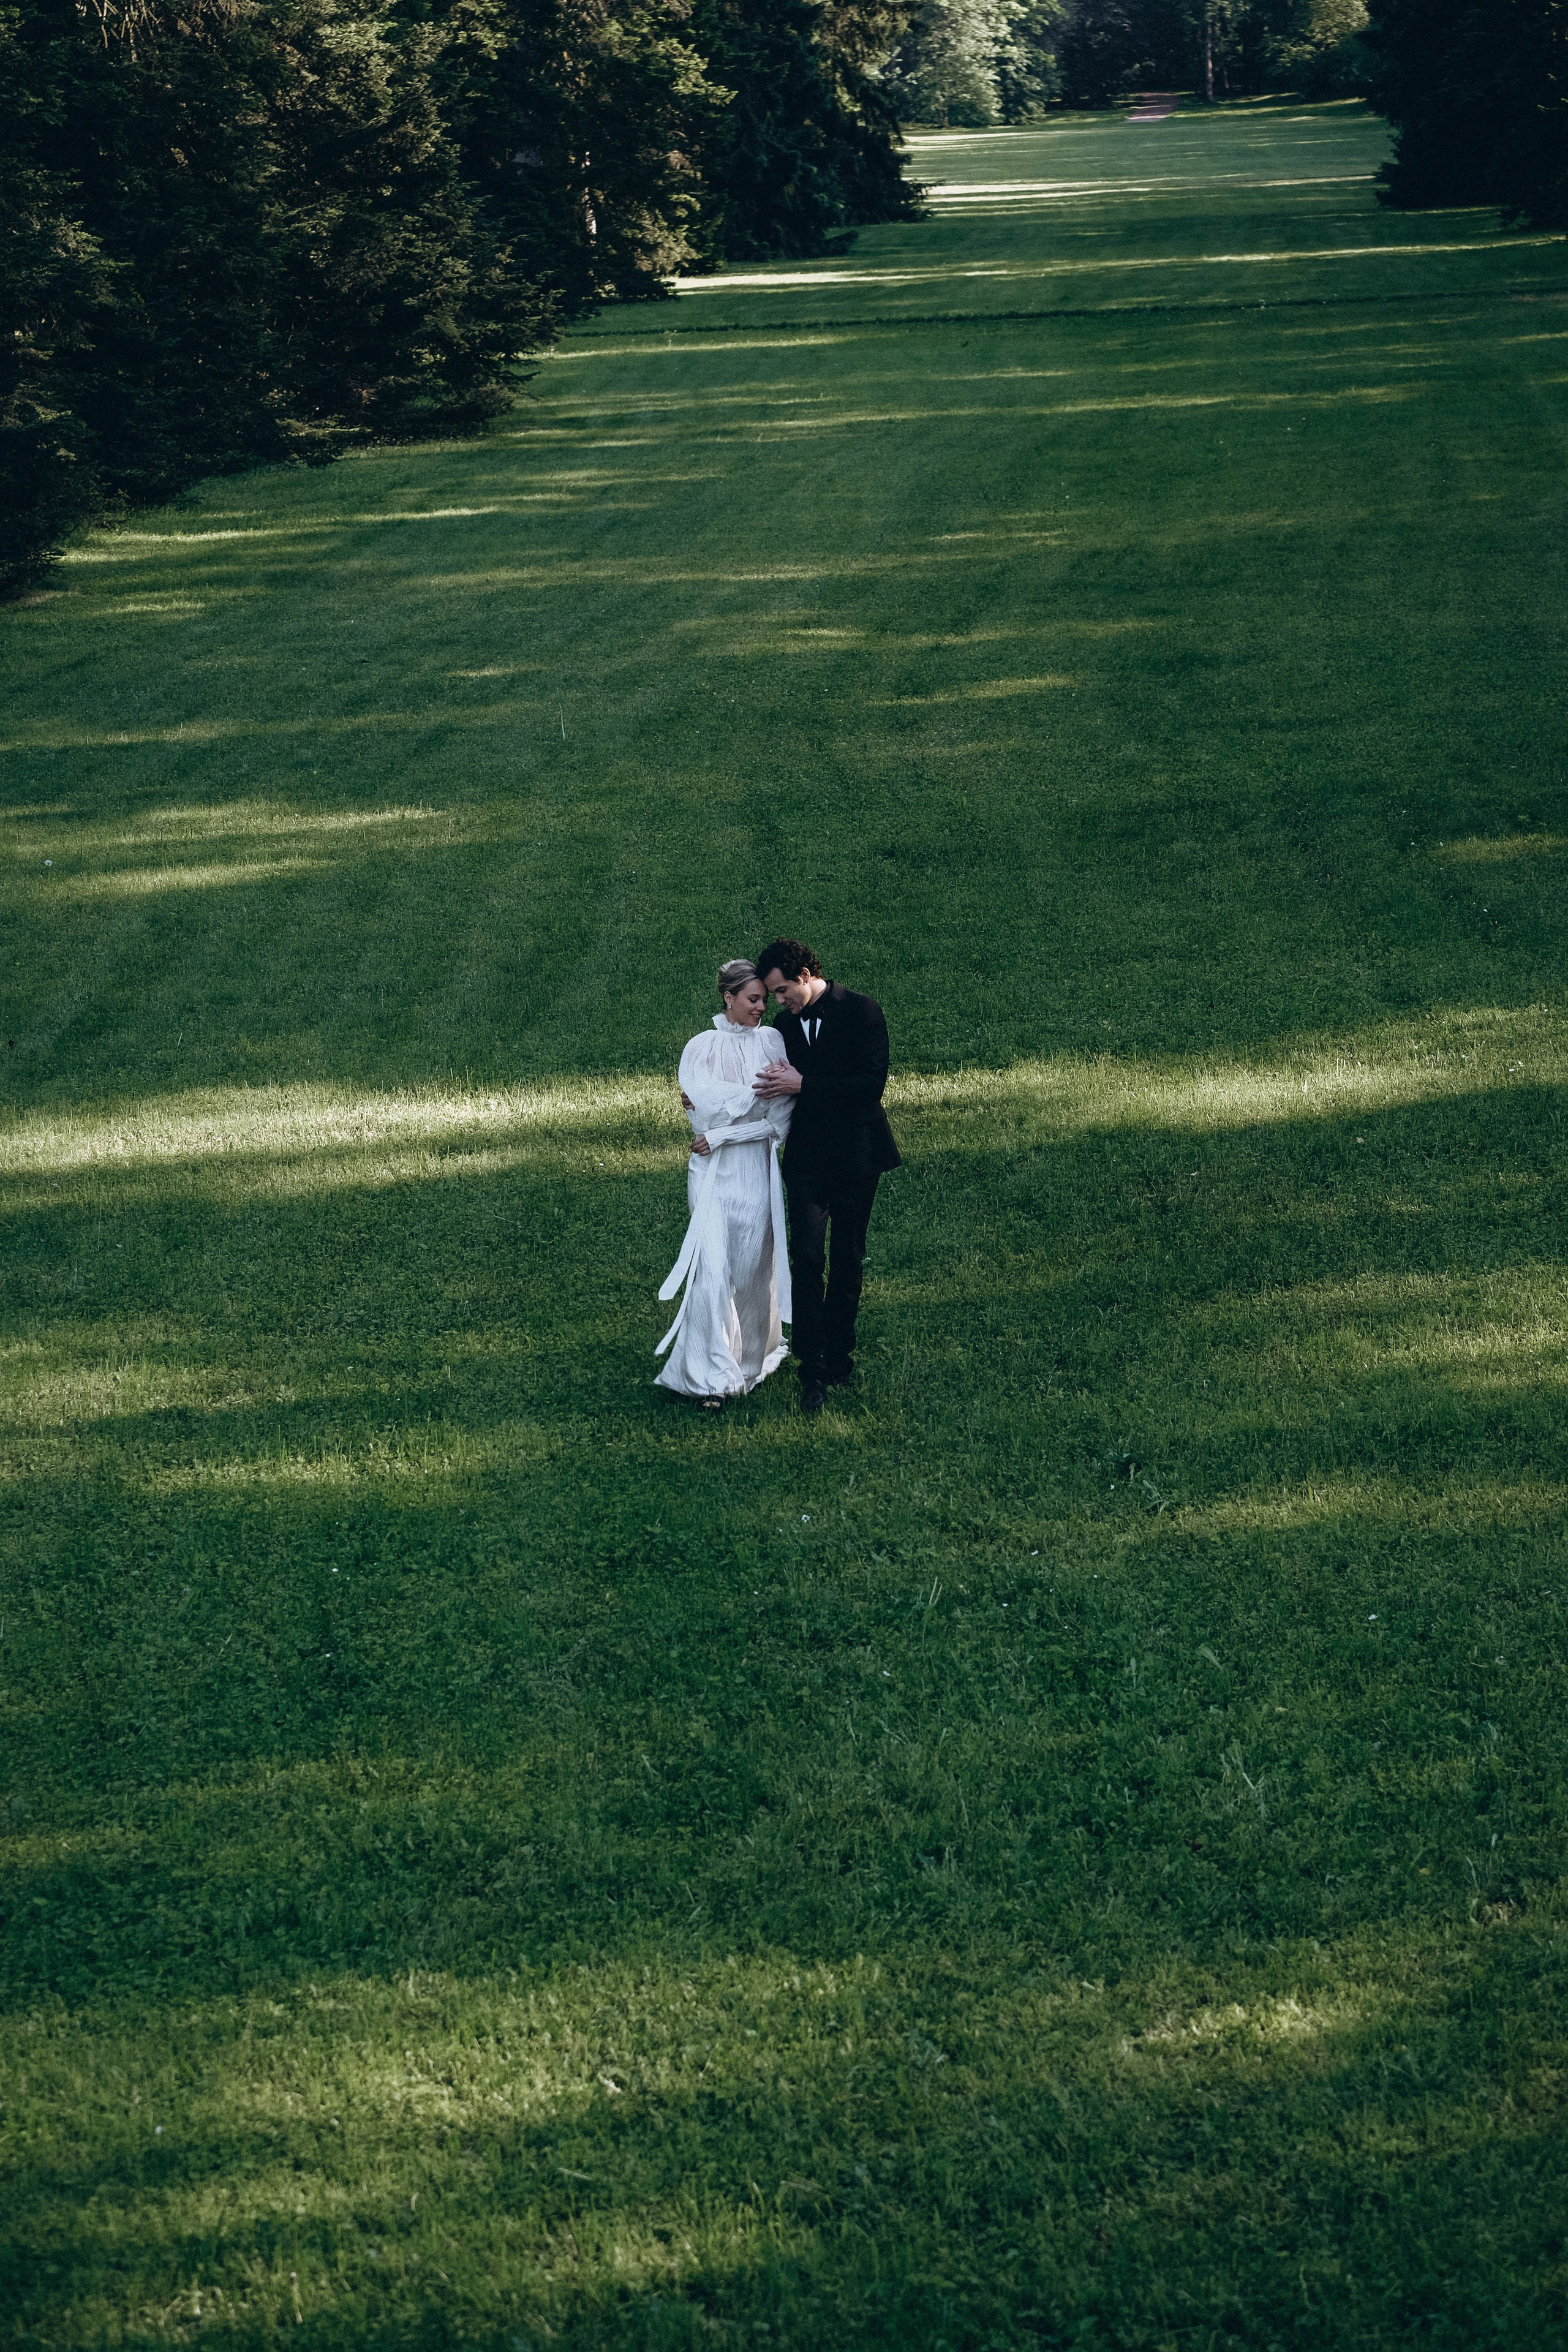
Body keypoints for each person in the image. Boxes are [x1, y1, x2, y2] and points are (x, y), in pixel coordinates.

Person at [752, 938, 900, 1415]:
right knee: (808, 1258)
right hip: (809, 1159)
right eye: (773, 995)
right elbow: (763, 1084)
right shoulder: (783, 1027)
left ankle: (840, 1359)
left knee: (848, 1259)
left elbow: (870, 1086)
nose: (778, 1002)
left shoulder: (862, 1011)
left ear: (804, 975)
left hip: (858, 1153)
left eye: (780, 992)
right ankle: (810, 1368)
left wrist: (805, 1085)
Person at [654, 959, 794, 1409]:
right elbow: (700, 1111)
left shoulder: (773, 1041)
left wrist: (723, 1131)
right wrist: (744, 1103)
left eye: (764, 1000)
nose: (761, 1008)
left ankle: (749, 1360)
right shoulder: (699, 1047)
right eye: (753, 1000)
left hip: (754, 1170)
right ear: (728, 998)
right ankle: (710, 1377)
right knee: (712, 1270)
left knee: (752, 1270)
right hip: (711, 1174)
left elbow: (778, 1124)